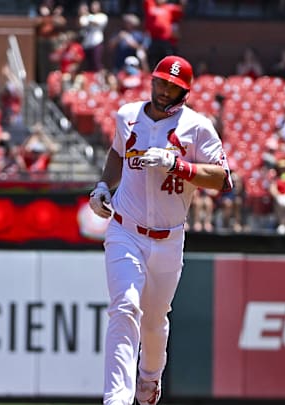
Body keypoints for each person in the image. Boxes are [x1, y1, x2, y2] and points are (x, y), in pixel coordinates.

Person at [87, 55, 232, 405]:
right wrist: (104, 187)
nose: (164, 90)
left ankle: (150, 378)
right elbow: (117, 154)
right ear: (151, 80)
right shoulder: (127, 115)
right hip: (125, 229)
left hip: (168, 239)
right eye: (161, 81)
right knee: (125, 307)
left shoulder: (196, 127)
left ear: (185, 91)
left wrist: (177, 164)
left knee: (154, 320)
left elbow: (223, 179)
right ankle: (116, 399)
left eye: (173, 86)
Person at [144, 0, 187, 68]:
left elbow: (181, 10)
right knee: (153, 59)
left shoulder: (169, 8)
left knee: (168, 59)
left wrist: (183, 2)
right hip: (154, 39)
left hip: (165, 40)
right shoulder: (151, 6)